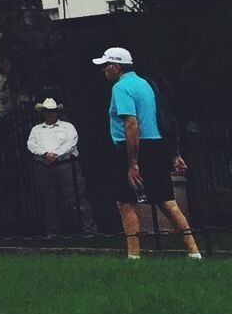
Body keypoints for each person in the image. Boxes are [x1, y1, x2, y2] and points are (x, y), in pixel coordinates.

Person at [96, 46, 202, 259]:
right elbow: (163, 117)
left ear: (116, 67)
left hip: (133, 147)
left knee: (126, 202)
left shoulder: (121, 88)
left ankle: (133, 255)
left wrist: (132, 162)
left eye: (106, 65)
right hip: (155, 145)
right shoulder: (146, 84)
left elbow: (131, 123)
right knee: (166, 200)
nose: (103, 70)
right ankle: (193, 251)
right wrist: (173, 152)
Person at [24, 97, 84, 235]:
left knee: (74, 197)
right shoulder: (36, 130)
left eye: (53, 111)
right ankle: (53, 230)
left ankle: (84, 229)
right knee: (49, 199)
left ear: (57, 112)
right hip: (44, 166)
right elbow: (31, 145)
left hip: (66, 165)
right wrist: (45, 154)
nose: (50, 114)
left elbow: (71, 143)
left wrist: (55, 154)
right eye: (47, 111)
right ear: (43, 113)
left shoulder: (68, 127)